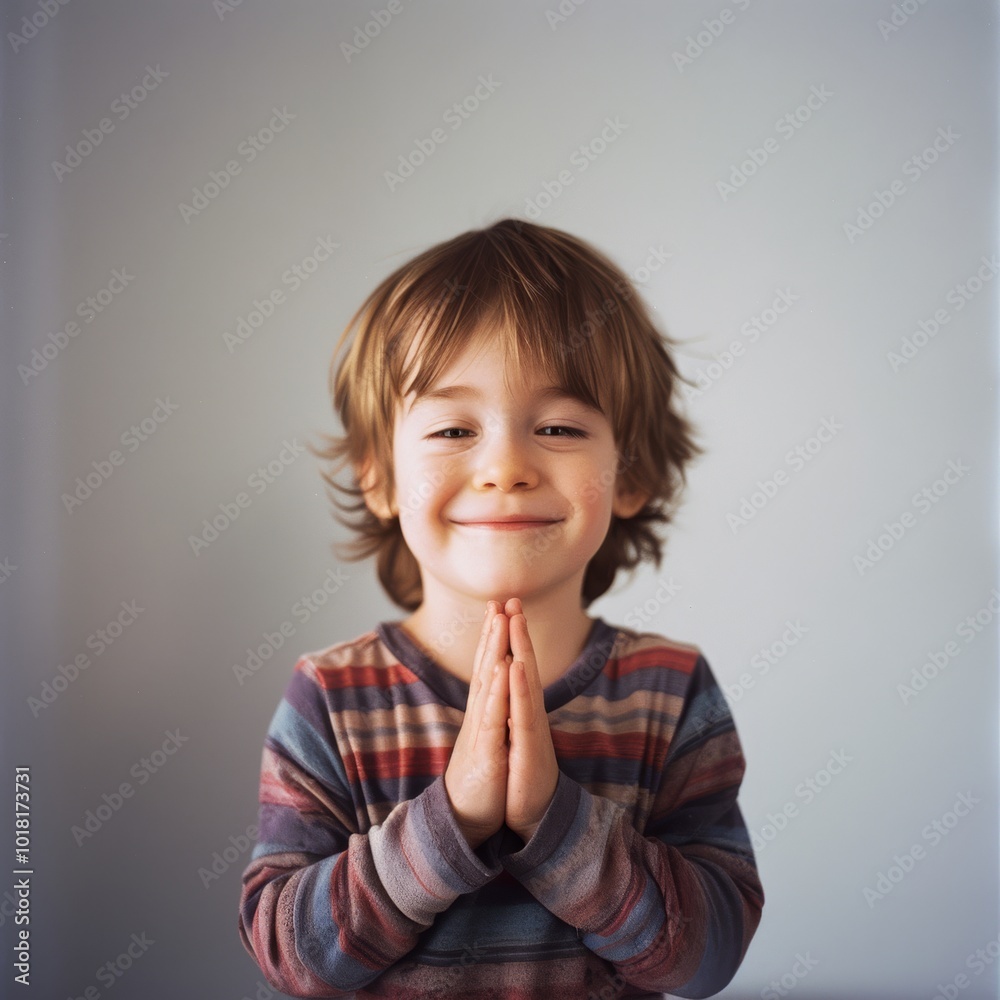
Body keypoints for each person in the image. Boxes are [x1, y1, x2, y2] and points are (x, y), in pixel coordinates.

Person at [238, 218, 764, 998]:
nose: (506, 466)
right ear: (379, 475)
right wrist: (451, 821)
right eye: (454, 428)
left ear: (631, 473)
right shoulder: (330, 697)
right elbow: (290, 956)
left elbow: (708, 957)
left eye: (557, 427)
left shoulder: (673, 688)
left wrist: (559, 821)